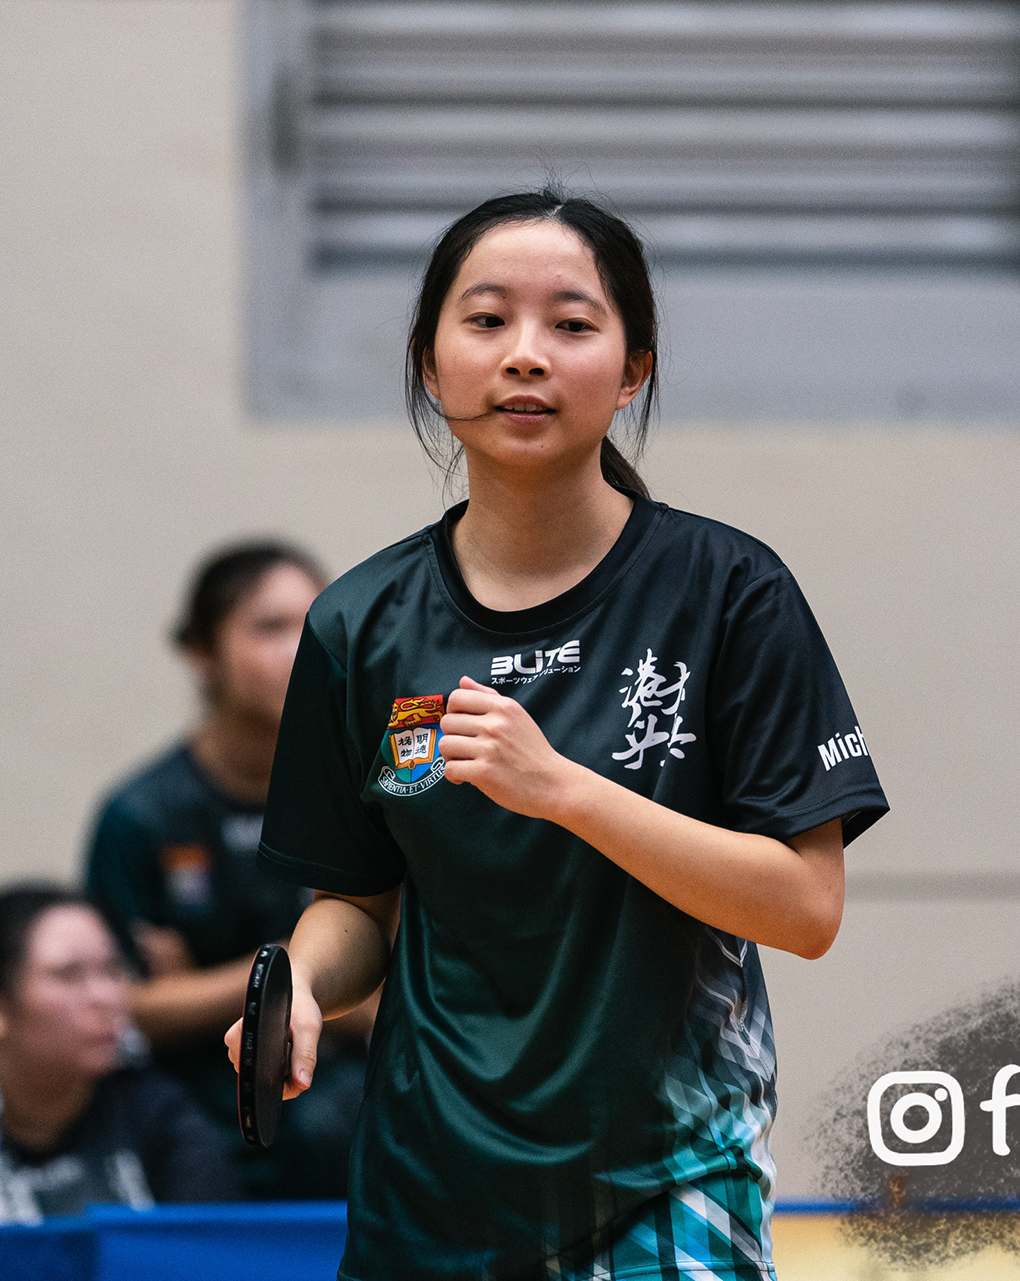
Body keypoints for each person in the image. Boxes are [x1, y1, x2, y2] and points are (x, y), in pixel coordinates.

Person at [224, 187, 889, 1280]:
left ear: (633, 371)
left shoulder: (729, 593)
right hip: (427, 1190)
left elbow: (805, 906)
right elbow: (358, 903)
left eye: (572, 324)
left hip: (669, 1177)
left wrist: (565, 790)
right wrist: (302, 978)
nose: (525, 354)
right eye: (487, 320)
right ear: (430, 366)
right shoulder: (360, 624)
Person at [84, 540, 373, 1200]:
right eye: (270, 627)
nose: (301, 649)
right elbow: (125, 1007)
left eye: (315, 625)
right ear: (201, 652)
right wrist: (297, 970)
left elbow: (390, 994)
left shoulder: (361, 790)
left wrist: (203, 987)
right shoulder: (143, 815)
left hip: (349, 1120)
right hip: (198, 1129)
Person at [0, 884, 237, 1221]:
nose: (106, 996)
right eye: (68, 975)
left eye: (112, 970)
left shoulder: (161, 1115)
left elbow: (208, 1258)